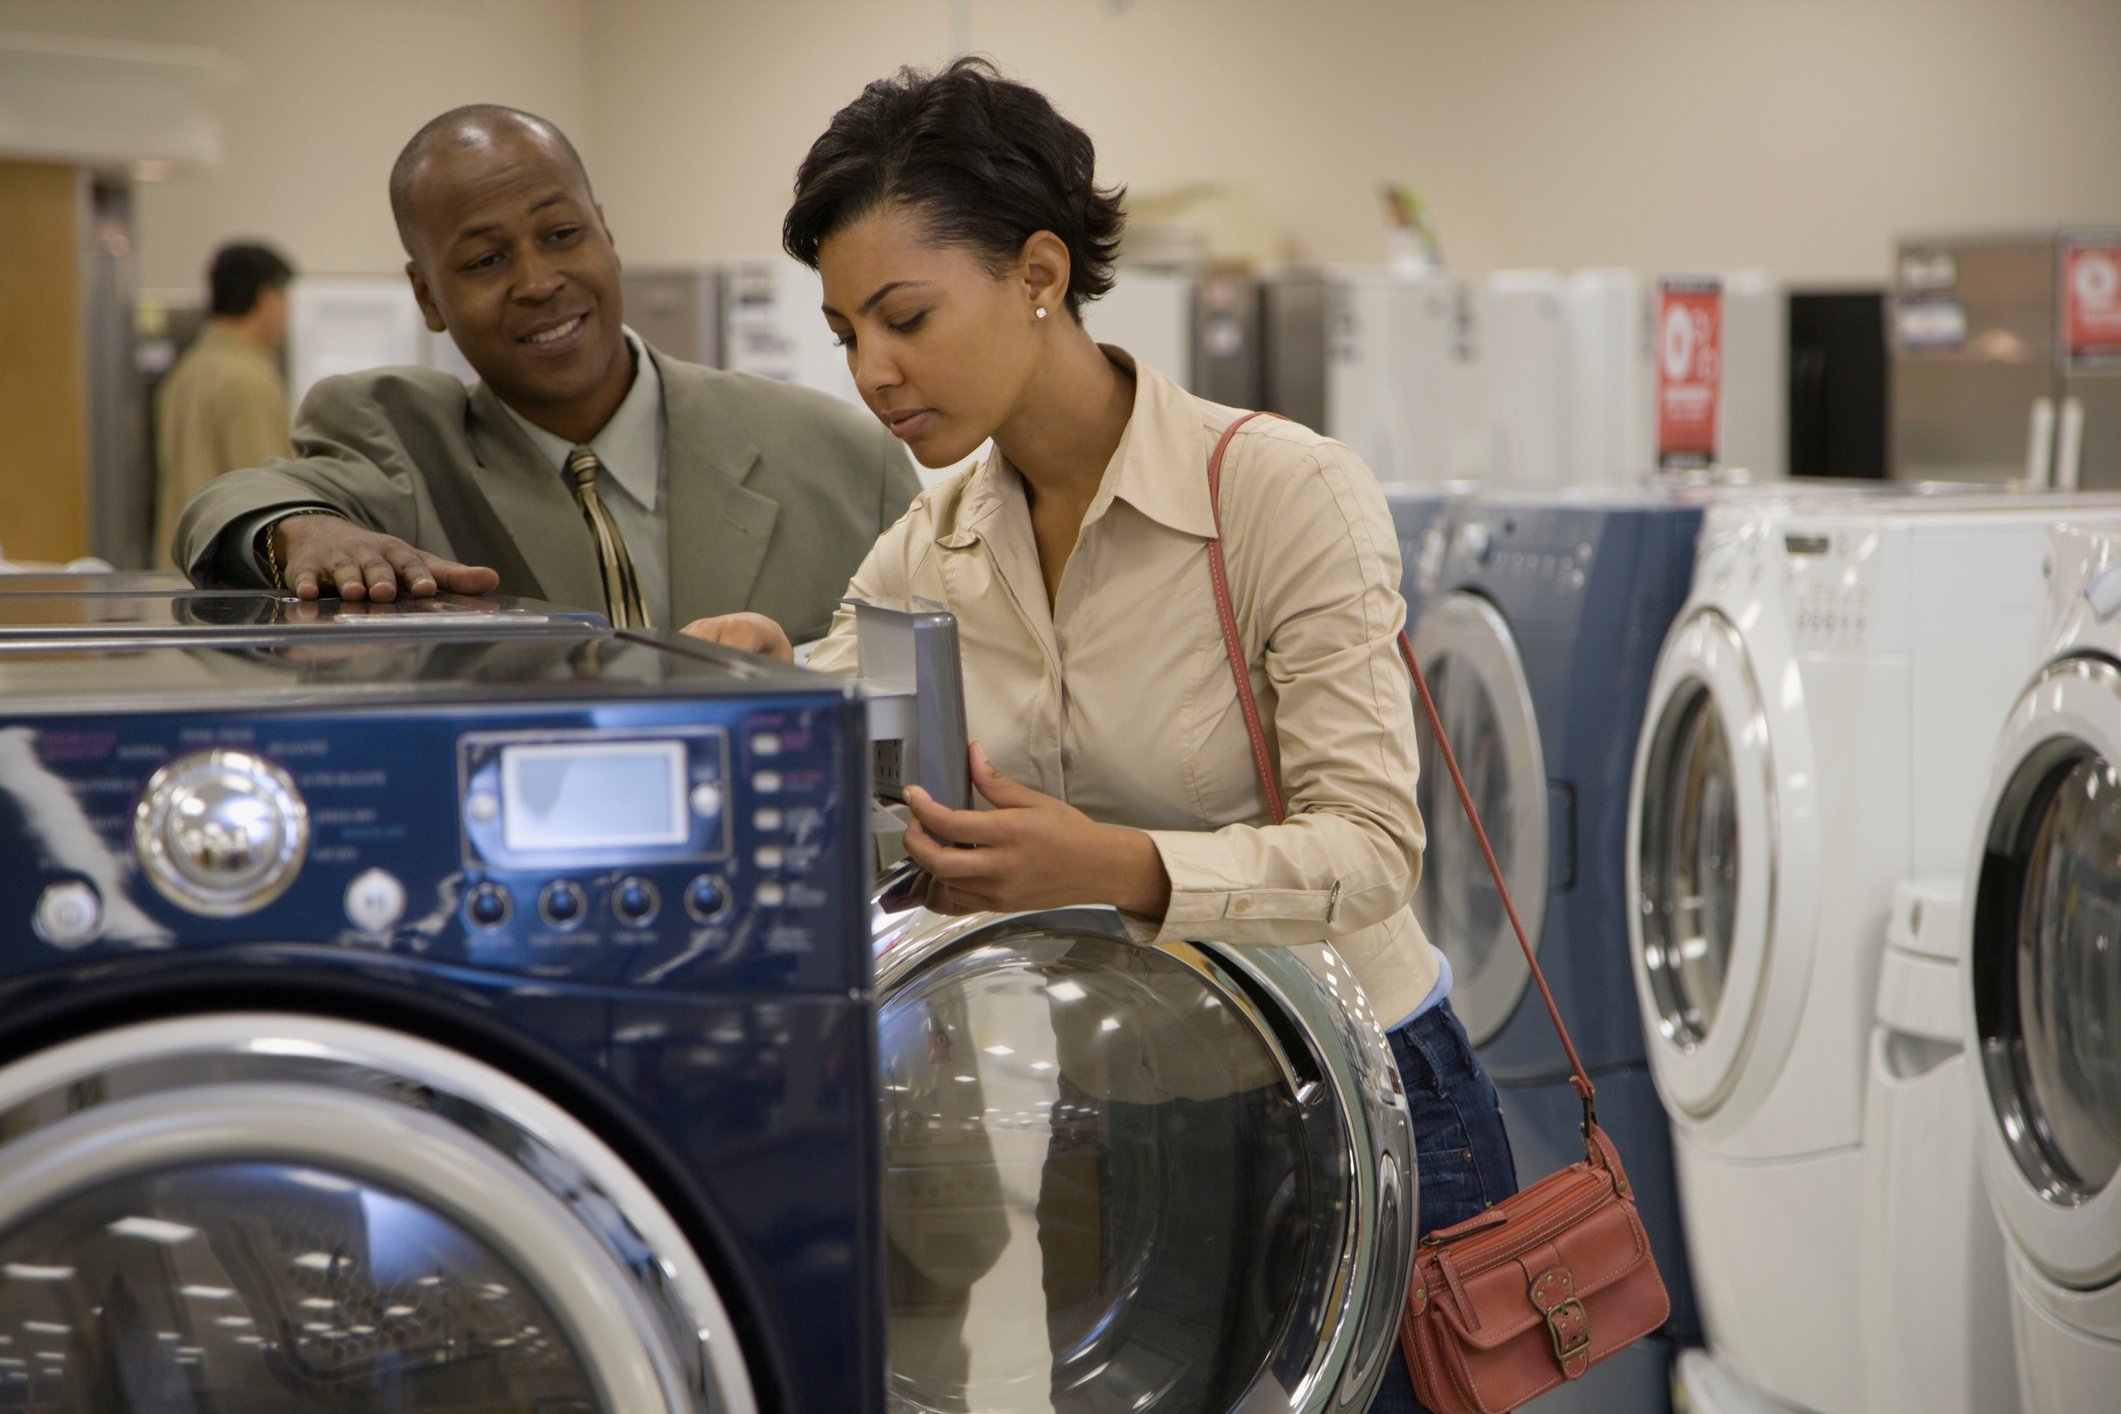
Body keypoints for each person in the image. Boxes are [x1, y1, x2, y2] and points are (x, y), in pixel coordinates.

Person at [687, 58, 1517, 1413]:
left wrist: (1116, 861)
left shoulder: (1275, 494)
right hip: (1140, 1106)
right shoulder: (934, 545)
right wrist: (772, 671)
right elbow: (853, 693)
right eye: (843, 333)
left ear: (1037, 271)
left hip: (1366, 1096)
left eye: (904, 316)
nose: (873, 372)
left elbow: (1373, 853)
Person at [173, 105, 920, 642]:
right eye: (485, 260)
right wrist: (301, 533)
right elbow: (234, 498)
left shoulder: (845, 461)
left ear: (607, 232)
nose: (537, 281)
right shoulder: (401, 445)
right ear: (427, 296)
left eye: (562, 235)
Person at [152, 242, 296, 571]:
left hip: (182, 565)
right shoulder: (247, 379)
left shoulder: (189, 369)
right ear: (267, 298)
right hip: (228, 582)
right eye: (285, 299)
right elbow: (267, 498)